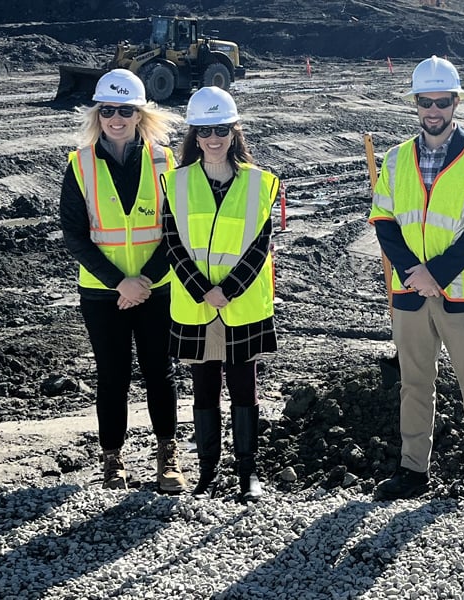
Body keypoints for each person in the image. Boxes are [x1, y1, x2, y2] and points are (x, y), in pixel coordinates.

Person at [368, 56, 464, 500]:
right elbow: (384, 222)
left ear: (455, 102)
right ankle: (413, 471)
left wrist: (437, 274)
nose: (433, 110)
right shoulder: (394, 159)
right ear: (415, 103)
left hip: (463, 293)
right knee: (414, 383)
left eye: (442, 101)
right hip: (410, 292)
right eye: (425, 101)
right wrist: (414, 273)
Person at [59, 69, 186, 493]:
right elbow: (73, 234)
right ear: (98, 113)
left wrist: (145, 281)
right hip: (101, 292)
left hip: (155, 287)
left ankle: (167, 457)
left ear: (140, 113)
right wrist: (120, 283)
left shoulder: (165, 160)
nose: (116, 118)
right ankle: (113, 461)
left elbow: (176, 231)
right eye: (108, 110)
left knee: (159, 372)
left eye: (125, 110)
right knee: (112, 375)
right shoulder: (79, 164)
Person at [160, 86, 279, 502]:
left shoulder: (259, 183)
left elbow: (260, 244)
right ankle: (208, 472)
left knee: (245, 389)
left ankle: (248, 473)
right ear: (194, 134)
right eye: (205, 131)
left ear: (234, 132)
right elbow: (172, 243)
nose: (214, 139)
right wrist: (202, 291)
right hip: (197, 305)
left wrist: (227, 290)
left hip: (240, 303)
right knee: (204, 388)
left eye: (222, 130)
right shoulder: (175, 182)